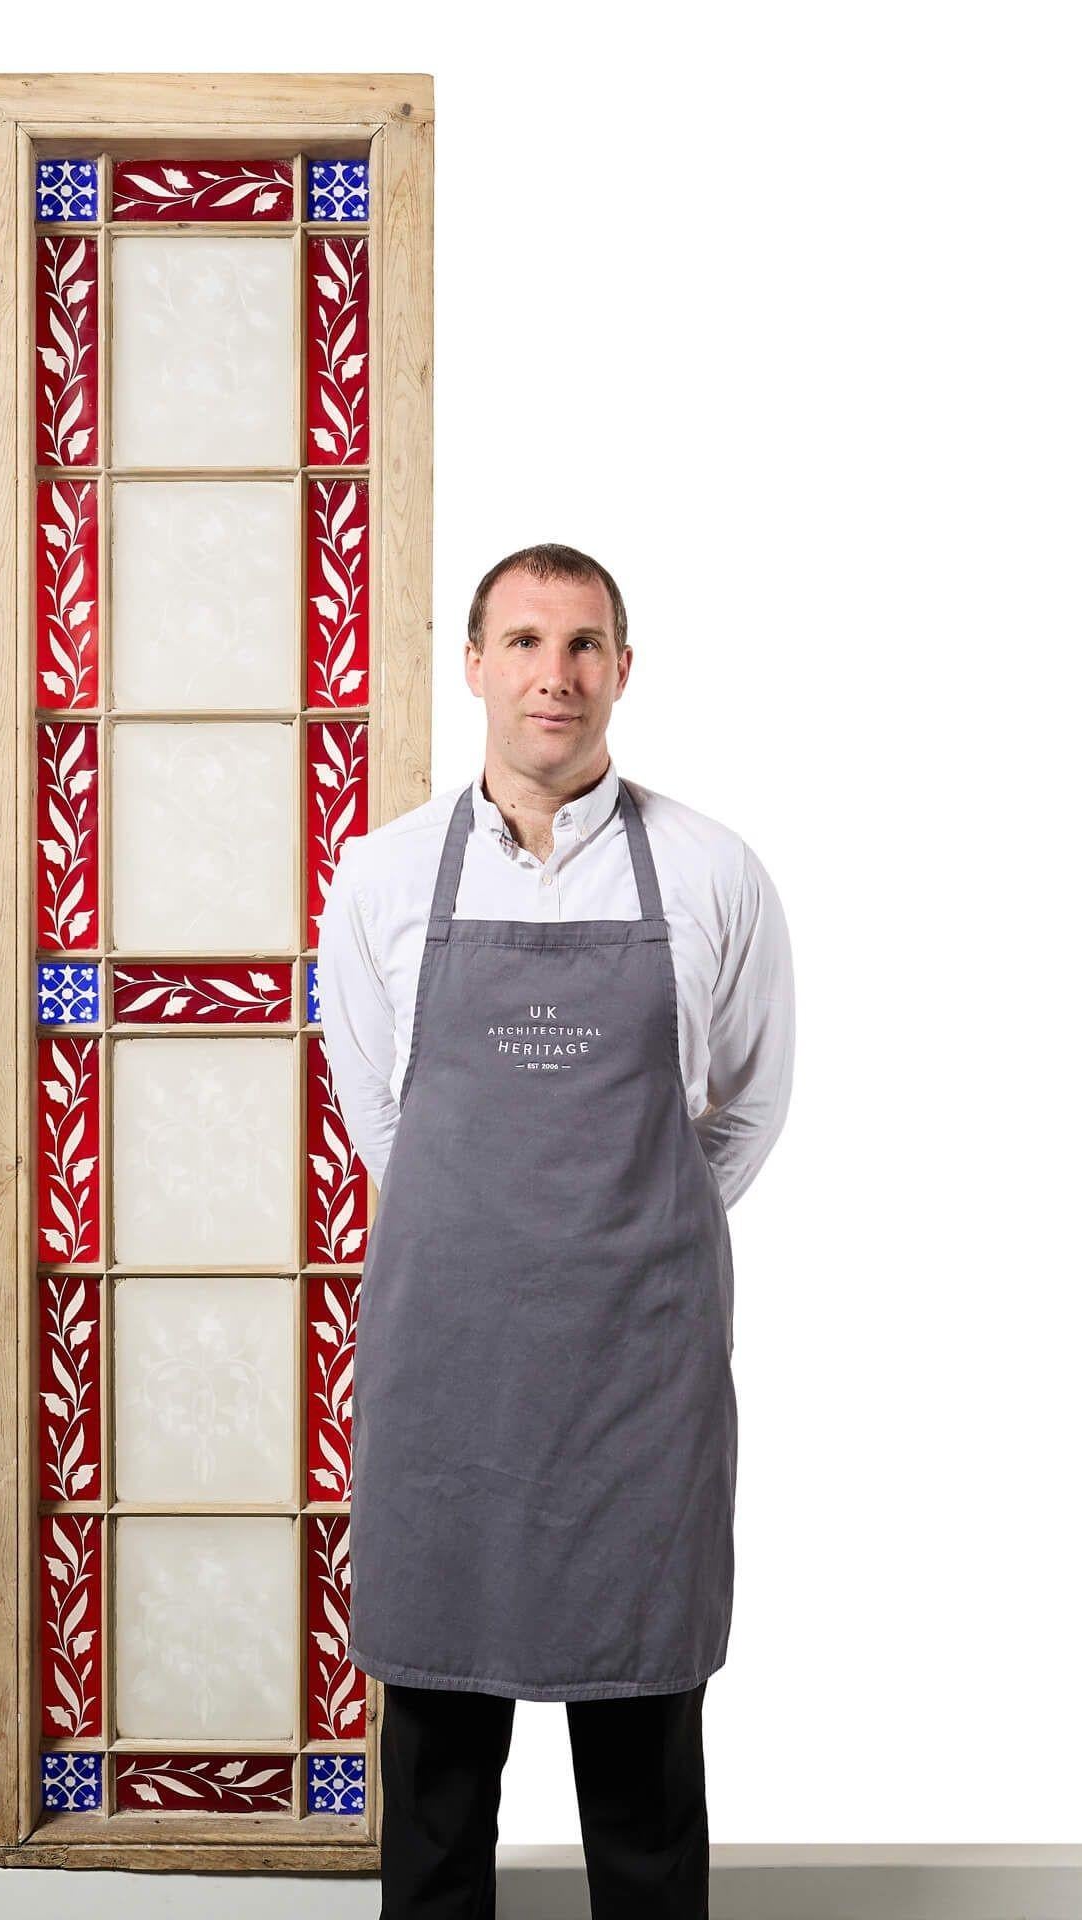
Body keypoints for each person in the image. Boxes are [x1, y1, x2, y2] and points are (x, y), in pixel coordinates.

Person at [315, 543, 796, 1918]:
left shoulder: (711, 870)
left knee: (643, 1766)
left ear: (622, 670)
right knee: (437, 1764)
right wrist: (490, 1237)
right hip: (449, 1370)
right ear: (474, 665)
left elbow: (748, 1107)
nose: (554, 674)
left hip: (639, 1377)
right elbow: (379, 1113)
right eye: (523, 641)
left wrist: (635, 1229)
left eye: (584, 644)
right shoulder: (385, 876)